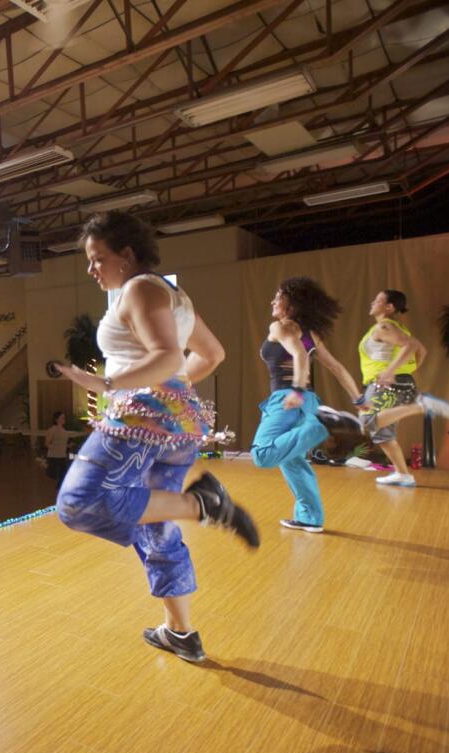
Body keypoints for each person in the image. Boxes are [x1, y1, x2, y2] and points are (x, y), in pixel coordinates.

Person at [54, 211, 258, 665]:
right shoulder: (172, 294)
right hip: (176, 425)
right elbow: (213, 354)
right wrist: (175, 393)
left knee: (79, 503)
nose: (92, 270)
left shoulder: (140, 288)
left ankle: (204, 504)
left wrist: (109, 386)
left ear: (126, 256)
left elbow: (167, 357)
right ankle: (181, 632)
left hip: (140, 422)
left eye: (98, 259)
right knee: (156, 525)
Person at [252, 278, 365, 534]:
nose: (272, 301)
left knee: (262, 454)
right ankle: (310, 518)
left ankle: (323, 424)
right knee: (293, 460)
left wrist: (297, 390)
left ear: (290, 304)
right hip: (311, 401)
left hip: (288, 398)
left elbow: (300, 356)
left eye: (277, 297)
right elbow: (336, 368)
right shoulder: (311, 334)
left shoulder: (281, 327)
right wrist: (359, 400)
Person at [354, 289, 449, 487]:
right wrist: (404, 372)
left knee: (368, 421)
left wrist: (390, 371)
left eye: (377, 300)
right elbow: (421, 350)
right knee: (383, 434)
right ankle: (403, 474)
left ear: (390, 307)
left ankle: (422, 406)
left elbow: (409, 346)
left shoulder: (384, 326)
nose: (372, 303)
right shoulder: (395, 327)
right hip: (398, 382)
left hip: (385, 383)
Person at [44, 411, 71, 488]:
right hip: (54, 456)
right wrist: (55, 447)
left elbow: (63, 443)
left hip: (62, 455)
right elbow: (47, 443)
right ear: (56, 419)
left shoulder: (64, 431)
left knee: (63, 474)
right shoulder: (52, 430)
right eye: (62, 418)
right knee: (57, 475)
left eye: (64, 417)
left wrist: (68, 445)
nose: (64, 419)